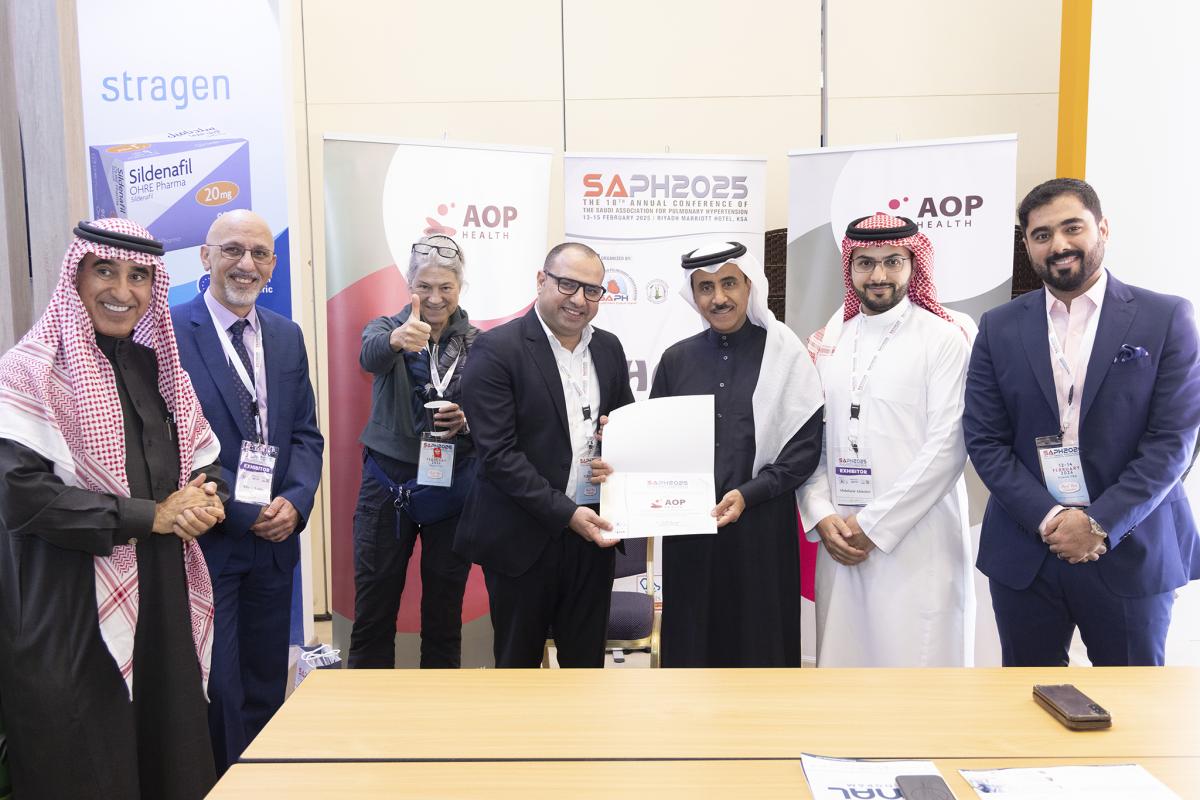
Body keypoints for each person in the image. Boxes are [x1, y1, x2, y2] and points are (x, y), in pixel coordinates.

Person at [0, 218, 226, 799]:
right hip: (68, 611)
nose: (122, 290)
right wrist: (151, 516)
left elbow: (203, 465)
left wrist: (206, 501)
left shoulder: (160, 371)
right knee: (87, 766)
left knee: (170, 758)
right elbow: (22, 496)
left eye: (138, 276)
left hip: (163, 608)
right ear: (75, 276)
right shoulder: (27, 372)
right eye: (105, 270)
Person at [965, 178, 1200, 666]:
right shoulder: (998, 326)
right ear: (1028, 244)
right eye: (1042, 234)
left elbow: (1172, 442)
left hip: (1131, 544)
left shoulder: (1166, 316)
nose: (1059, 244)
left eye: (1073, 227)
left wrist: (1098, 523)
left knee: (1131, 702)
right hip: (1027, 548)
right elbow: (985, 440)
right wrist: (1051, 519)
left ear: (1103, 229)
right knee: (1027, 698)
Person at [172, 210, 324, 771]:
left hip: (276, 540)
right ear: (205, 257)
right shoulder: (170, 333)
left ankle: (261, 779)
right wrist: (242, 508)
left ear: (273, 265)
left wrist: (297, 501)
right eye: (232, 250)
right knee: (218, 685)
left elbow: (305, 433)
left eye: (259, 253)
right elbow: (170, 444)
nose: (246, 264)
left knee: (265, 678)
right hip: (209, 540)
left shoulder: (285, 336)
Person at [798, 213, 976, 667]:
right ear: (850, 268)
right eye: (865, 263)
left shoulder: (944, 339)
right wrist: (821, 513)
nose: (878, 275)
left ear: (913, 264)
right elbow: (809, 443)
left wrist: (874, 524)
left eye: (892, 261)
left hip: (919, 541)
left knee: (917, 675)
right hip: (841, 537)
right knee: (844, 670)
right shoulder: (828, 342)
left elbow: (947, 447)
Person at [454, 242, 634, 667]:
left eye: (592, 290)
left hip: (592, 537)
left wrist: (616, 442)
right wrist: (566, 514)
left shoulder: (608, 348)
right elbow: (498, 455)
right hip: (522, 538)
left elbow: (623, 422)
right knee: (518, 669)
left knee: (585, 668)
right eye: (567, 284)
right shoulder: (497, 349)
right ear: (541, 280)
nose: (579, 300)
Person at [650, 241, 824, 667]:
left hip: (762, 529)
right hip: (691, 532)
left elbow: (803, 449)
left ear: (750, 286)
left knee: (760, 646)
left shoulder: (784, 355)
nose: (719, 298)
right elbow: (657, 444)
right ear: (693, 295)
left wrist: (750, 493)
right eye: (705, 287)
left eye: (729, 283)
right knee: (693, 647)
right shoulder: (676, 360)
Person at [348, 235, 476, 669]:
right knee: (374, 606)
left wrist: (467, 422)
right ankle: (369, 704)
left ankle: (438, 708)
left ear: (460, 288)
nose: (435, 298)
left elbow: (498, 412)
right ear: (409, 286)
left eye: (446, 287)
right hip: (387, 484)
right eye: (424, 286)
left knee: (444, 611)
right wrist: (396, 340)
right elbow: (369, 358)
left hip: (451, 486)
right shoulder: (385, 328)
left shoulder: (479, 343)